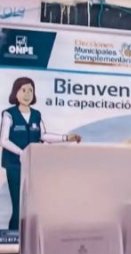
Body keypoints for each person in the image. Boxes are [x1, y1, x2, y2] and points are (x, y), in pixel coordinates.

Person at [1, 77, 81, 230]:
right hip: (14, 165)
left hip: (33, 165)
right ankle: (12, 239)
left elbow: (43, 135)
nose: (27, 94)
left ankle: (29, 238)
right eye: (23, 90)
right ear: (15, 93)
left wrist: (66, 137)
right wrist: (22, 152)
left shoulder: (36, 114)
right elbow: (3, 140)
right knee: (19, 206)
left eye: (30, 90)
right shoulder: (8, 114)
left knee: (31, 207)